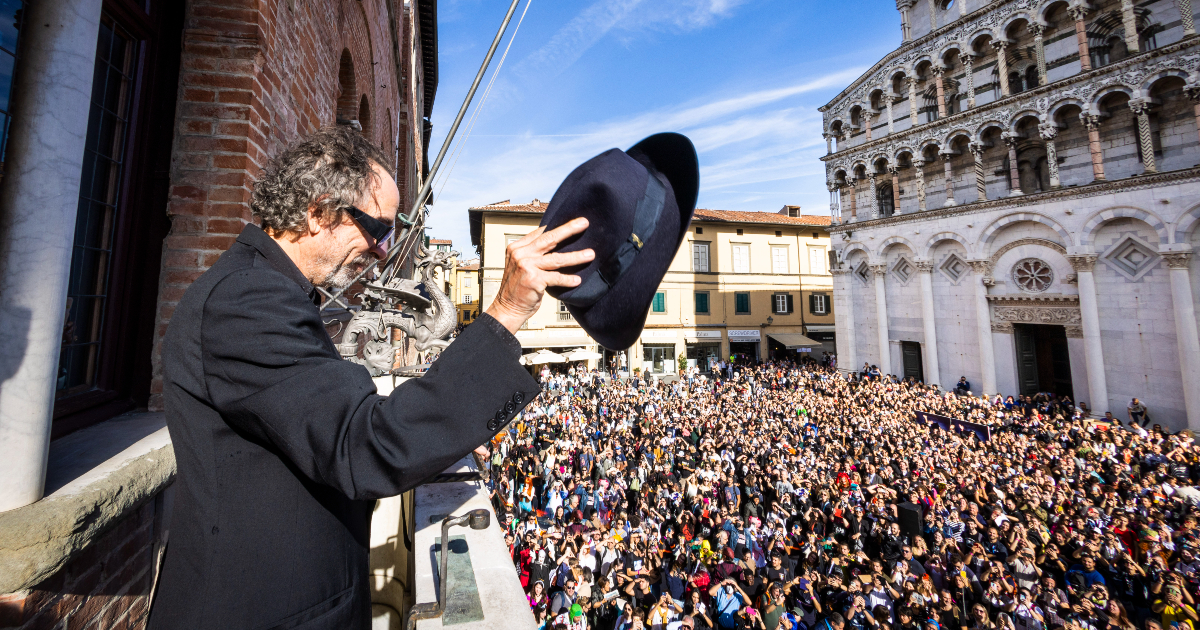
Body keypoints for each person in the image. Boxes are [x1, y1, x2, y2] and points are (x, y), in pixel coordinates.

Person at [149, 127, 595, 629]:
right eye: (376, 228)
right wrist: (508, 310)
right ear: (318, 213)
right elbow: (366, 444)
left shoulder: (265, 291)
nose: (383, 250)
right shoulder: (248, 301)